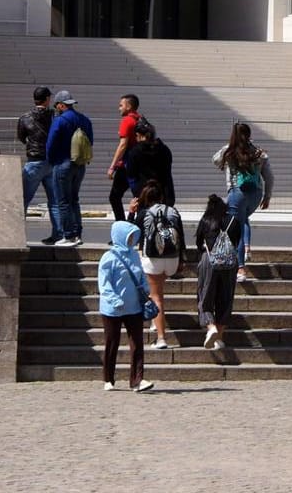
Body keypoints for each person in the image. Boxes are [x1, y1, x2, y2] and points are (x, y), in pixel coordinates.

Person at [96, 220, 154, 392]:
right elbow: (104, 285)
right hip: (112, 309)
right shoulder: (108, 258)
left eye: (133, 237)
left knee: (137, 343)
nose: (132, 240)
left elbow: (141, 275)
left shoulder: (134, 255)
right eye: (129, 237)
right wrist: (115, 300)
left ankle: (137, 380)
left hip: (134, 306)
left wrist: (146, 289)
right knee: (111, 343)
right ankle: (108, 378)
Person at [212, 122, 273, 277]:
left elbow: (215, 160)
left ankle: (241, 267)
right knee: (243, 218)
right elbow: (269, 177)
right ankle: (246, 247)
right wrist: (267, 196)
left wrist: (229, 146)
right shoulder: (258, 152)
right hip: (255, 193)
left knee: (237, 225)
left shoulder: (229, 151)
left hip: (236, 192)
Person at [133, 180, 184, 349]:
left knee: (155, 297)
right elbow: (181, 237)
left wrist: (131, 213)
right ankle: (156, 321)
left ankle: (161, 338)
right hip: (173, 258)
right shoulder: (173, 211)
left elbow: (131, 234)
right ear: (161, 196)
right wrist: (182, 260)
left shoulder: (145, 213)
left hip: (153, 259)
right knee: (158, 291)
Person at [195, 194, 244, 349]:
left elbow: (198, 243)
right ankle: (219, 339)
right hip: (230, 263)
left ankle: (211, 327)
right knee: (225, 299)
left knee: (205, 296)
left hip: (209, 261)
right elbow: (236, 241)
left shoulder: (206, 220)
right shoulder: (233, 221)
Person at [45, 91, 93, 247]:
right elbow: (90, 141)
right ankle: (77, 233)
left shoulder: (60, 120)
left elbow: (51, 143)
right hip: (79, 165)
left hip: (62, 163)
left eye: (57, 105)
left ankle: (69, 235)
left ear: (61, 105)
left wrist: (51, 160)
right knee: (74, 200)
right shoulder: (84, 120)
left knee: (63, 201)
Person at [17, 88, 60, 245]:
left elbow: (22, 137)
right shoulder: (55, 117)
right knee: (54, 201)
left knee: (23, 200)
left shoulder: (25, 117)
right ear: (47, 99)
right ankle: (58, 235)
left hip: (33, 162)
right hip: (52, 162)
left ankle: (18, 234)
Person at [106, 94, 143, 223]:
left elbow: (122, 145)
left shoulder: (127, 121)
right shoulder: (141, 119)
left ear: (129, 106)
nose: (119, 108)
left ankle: (122, 227)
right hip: (140, 166)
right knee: (139, 198)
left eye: (121, 105)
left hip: (126, 166)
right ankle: (139, 228)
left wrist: (112, 167)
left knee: (114, 197)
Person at [124, 116, 175, 206]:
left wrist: (136, 194)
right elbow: (168, 175)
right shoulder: (164, 150)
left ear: (138, 135)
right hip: (164, 196)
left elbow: (131, 177)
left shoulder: (135, 152)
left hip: (144, 196)